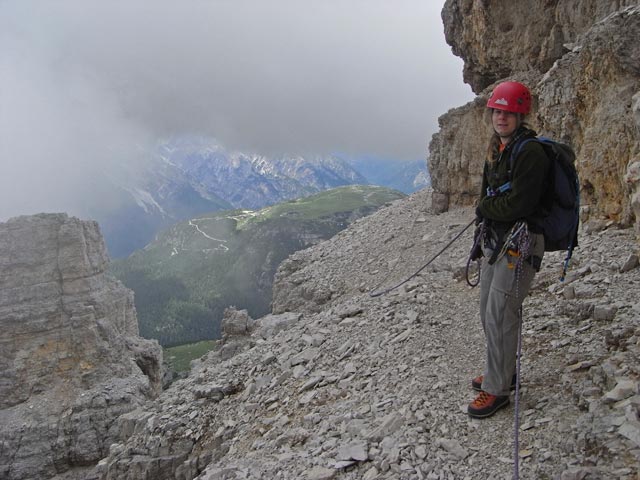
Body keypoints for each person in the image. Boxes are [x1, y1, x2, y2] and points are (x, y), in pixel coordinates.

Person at [468, 81, 551, 419]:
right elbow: (489, 195)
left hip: (521, 242)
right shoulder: (498, 148)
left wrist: (486, 209)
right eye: (498, 111)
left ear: (521, 115)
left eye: (509, 112)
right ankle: (501, 371)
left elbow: (521, 204)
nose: (502, 117)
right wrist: (484, 217)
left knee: (501, 313)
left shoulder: (529, 151)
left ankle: (497, 389)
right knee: (488, 308)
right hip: (498, 240)